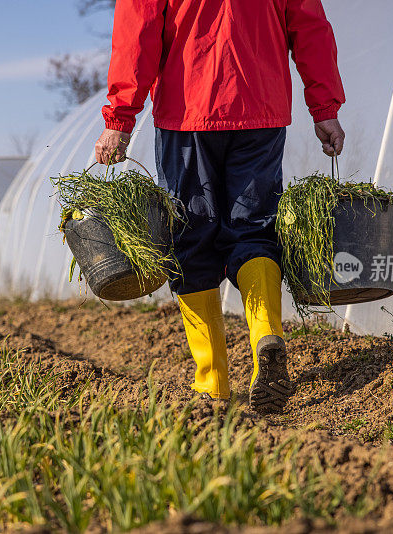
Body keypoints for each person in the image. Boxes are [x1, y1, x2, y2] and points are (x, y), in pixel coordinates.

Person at [95, 0, 345, 413]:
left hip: (187, 110)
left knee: (190, 242)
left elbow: (136, 32)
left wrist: (120, 118)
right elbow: (311, 27)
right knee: (255, 230)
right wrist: (324, 108)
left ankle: (213, 384)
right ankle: (266, 332)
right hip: (261, 108)